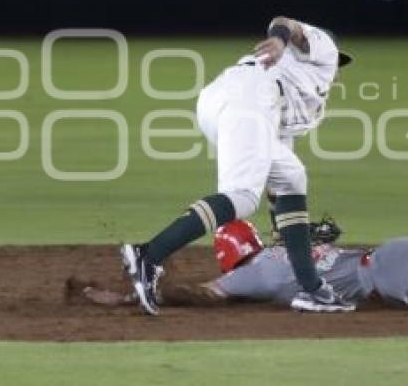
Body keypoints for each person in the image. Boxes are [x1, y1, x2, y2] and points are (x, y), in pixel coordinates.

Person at [86, 177, 408, 310]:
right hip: (391, 257)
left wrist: (136, 292)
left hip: (392, 274)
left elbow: (198, 295)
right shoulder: (283, 249)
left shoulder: (250, 273)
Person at [120, 16, 354, 315]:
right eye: (339, 64)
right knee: (242, 197)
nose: (338, 71)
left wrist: (284, 230)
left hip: (233, 100)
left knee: (292, 177)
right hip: (250, 97)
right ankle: (148, 256)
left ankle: (313, 290)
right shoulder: (324, 51)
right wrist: (281, 40)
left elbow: (277, 182)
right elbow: (283, 22)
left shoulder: (302, 96)